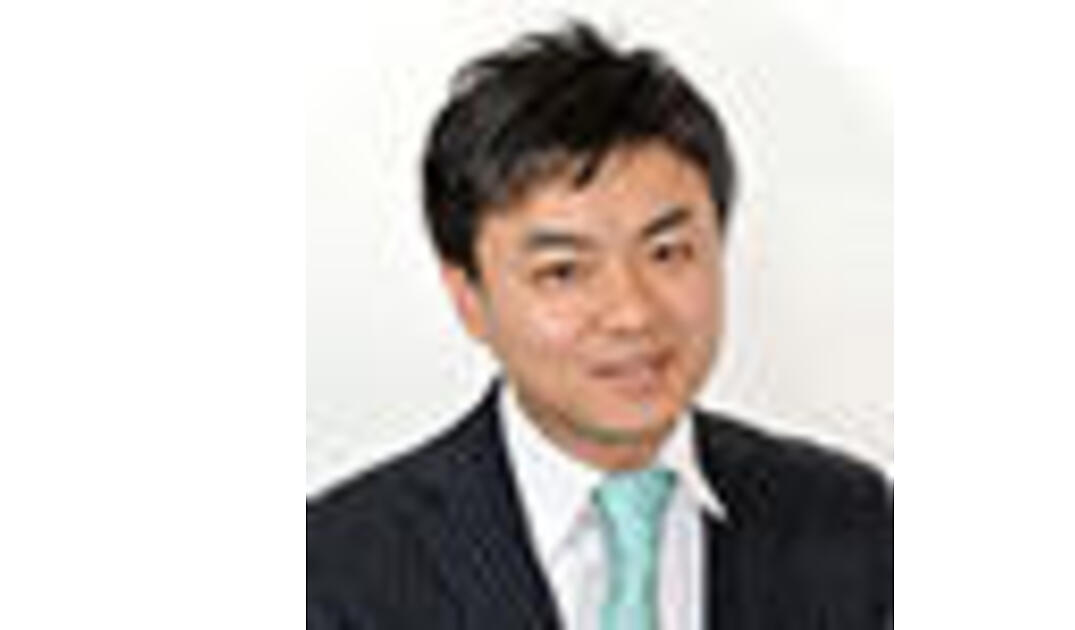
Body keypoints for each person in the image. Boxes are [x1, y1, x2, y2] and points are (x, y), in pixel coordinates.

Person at [307, 20, 892, 630]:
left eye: (667, 253)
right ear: (469, 298)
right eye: (563, 272)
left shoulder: (854, 521)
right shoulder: (334, 568)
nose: (632, 313)